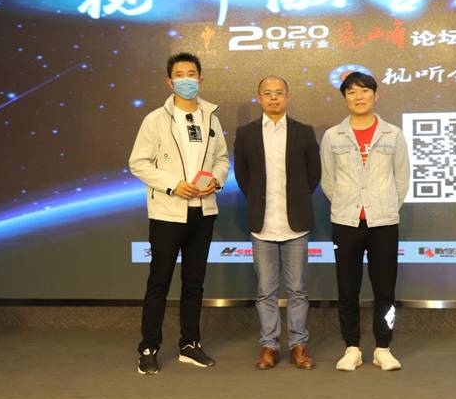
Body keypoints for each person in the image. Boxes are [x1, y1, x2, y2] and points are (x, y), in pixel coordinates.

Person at [129, 52, 229, 374]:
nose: (186, 80)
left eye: (191, 74)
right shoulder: (155, 120)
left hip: (204, 211)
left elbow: (222, 159)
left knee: (194, 282)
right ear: (169, 82)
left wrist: (217, 180)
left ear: (201, 79)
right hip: (167, 213)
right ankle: (149, 347)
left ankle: (190, 344)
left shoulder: (211, 118)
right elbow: (138, 163)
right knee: (159, 282)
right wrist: (173, 185)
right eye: (180, 75)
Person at [320, 71, 410, 371]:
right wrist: (346, 204)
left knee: (385, 290)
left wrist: (385, 206)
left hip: (383, 223)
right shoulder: (333, 136)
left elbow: (402, 179)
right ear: (345, 98)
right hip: (345, 223)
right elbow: (328, 181)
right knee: (347, 289)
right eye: (352, 92)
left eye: (364, 91)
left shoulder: (393, 134)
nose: (358, 97)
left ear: (375, 95)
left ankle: (383, 347)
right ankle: (352, 348)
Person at [234, 76, 321, 370]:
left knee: (297, 290)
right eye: (268, 93)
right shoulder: (246, 134)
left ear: (288, 97)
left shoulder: (303, 132)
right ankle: (269, 346)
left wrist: (296, 199)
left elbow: (313, 174)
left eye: (279, 93)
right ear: (259, 98)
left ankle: (298, 345)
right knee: (265, 291)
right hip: (263, 224)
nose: (274, 98)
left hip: (295, 224)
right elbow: (243, 176)